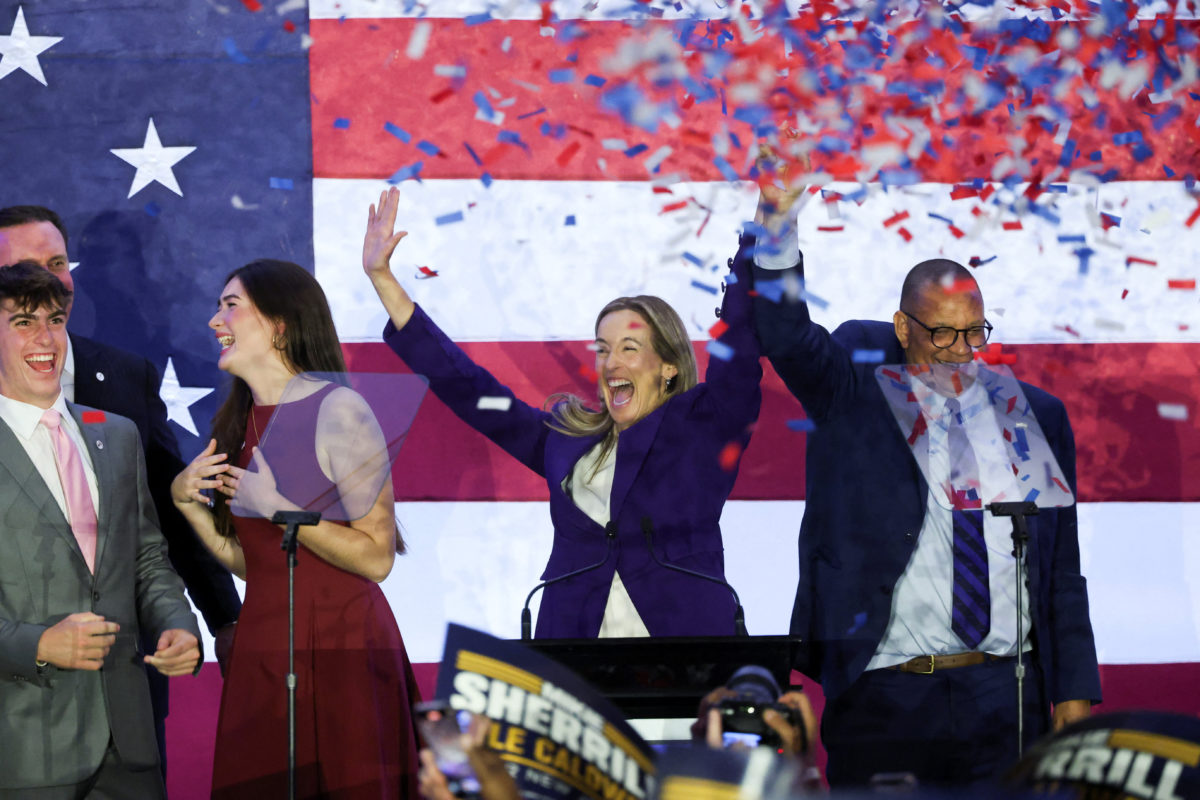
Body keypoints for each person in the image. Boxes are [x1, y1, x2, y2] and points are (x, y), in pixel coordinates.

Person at [750, 179, 1101, 786]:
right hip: (887, 695)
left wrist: (1072, 693)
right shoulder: (855, 389)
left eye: (974, 333)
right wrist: (777, 219)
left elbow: (1060, 572)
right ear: (903, 327)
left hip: (1005, 693)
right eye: (941, 334)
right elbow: (784, 334)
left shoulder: (1031, 415)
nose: (959, 353)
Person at [362, 186, 762, 638]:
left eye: (629, 349)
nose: (610, 364)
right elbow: (470, 389)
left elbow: (741, 345)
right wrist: (383, 280)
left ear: (669, 366)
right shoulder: (565, 440)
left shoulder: (702, 432)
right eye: (603, 349)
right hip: (576, 654)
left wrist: (770, 215)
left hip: (684, 650)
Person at [0, 205, 243, 774]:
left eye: (58, 263)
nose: (50, 282)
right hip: (21, 721)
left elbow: (159, 516)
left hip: (122, 697)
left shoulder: (125, 377)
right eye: (27, 269)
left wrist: (218, 618)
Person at [170, 259, 421, 798]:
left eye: (230, 305)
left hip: (340, 650)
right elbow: (255, 561)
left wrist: (281, 509)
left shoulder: (341, 410)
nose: (215, 321)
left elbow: (377, 558)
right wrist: (187, 505)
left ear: (280, 323)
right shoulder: (238, 423)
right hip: (264, 645)